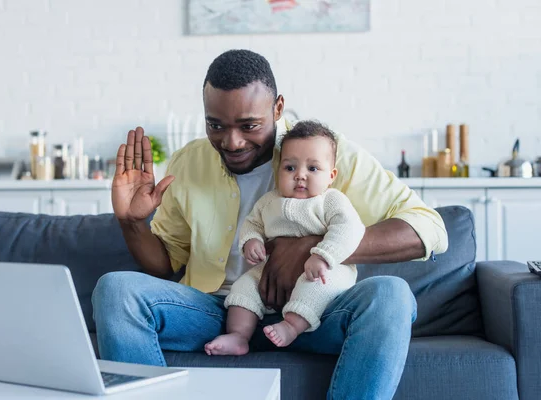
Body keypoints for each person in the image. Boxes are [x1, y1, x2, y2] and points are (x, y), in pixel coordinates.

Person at [92, 49, 448, 399]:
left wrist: (312, 248)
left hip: (314, 310)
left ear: (277, 108)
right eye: (216, 125)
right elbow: (165, 261)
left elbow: (429, 228)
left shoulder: (326, 154)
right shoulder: (189, 162)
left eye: (249, 125)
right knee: (116, 290)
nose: (231, 142)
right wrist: (131, 223)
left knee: (391, 295)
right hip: (217, 310)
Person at [205, 120, 366, 355]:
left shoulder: (330, 201)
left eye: (312, 169)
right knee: (243, 287)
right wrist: (252, 241)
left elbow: (350, 228)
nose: (300, 176)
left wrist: (323, 256)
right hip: (270, 269)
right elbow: (253, 223)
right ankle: (239, 336)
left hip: (324, 270)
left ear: (331, 175)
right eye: (290, 168)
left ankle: (291, 326)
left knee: (315, 287)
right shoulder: (270, 201)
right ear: (279, 169)